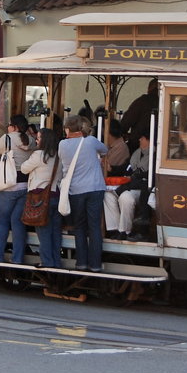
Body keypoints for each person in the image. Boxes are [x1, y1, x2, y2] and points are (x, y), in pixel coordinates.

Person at [59, 114, 109, 271]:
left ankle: (81, 262)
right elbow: (105, 150)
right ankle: (95, 264)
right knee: (94, 226)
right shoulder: (90, 141)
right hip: (95, 188)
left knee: (79, 227)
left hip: (76, 190)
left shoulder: (62, 144)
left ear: (67, 129)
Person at [0, 114, 34, 263]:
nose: (8, 127)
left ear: (14, 127)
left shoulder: (6, 138)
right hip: (25, 186)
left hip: (7, 185)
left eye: (9, 125)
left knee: (2, 222)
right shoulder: (31, 141)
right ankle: (17, 258)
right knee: (18, 222)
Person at [21, 128, 63, 268]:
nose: (37, 140)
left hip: (40, 198)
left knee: (43, 232)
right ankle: (56, 261)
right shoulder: (58, 156)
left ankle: (47, 261)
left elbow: (24, 168)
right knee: (56, 233)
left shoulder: (38, 155)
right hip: (56, 196)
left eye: (38, 138)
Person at [105, 129, 152, 241]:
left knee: (125, 197)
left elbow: (146, 177)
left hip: (140, 189)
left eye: (142, 138)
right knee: (107, 195)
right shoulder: (137, 153)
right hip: (127, 186)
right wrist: (112, 168)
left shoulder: (155, 155)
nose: (140, 140)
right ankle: (116, 228)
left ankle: (125, 231)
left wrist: (131, 179)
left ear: (149, 140)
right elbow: (125, 168)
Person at [120, 78, 159, 148]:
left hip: (138, 143)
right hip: (159, 144)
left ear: (149, 88)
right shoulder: (165, 103)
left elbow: (126, 122)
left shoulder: (141, 102)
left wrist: (121, 133)